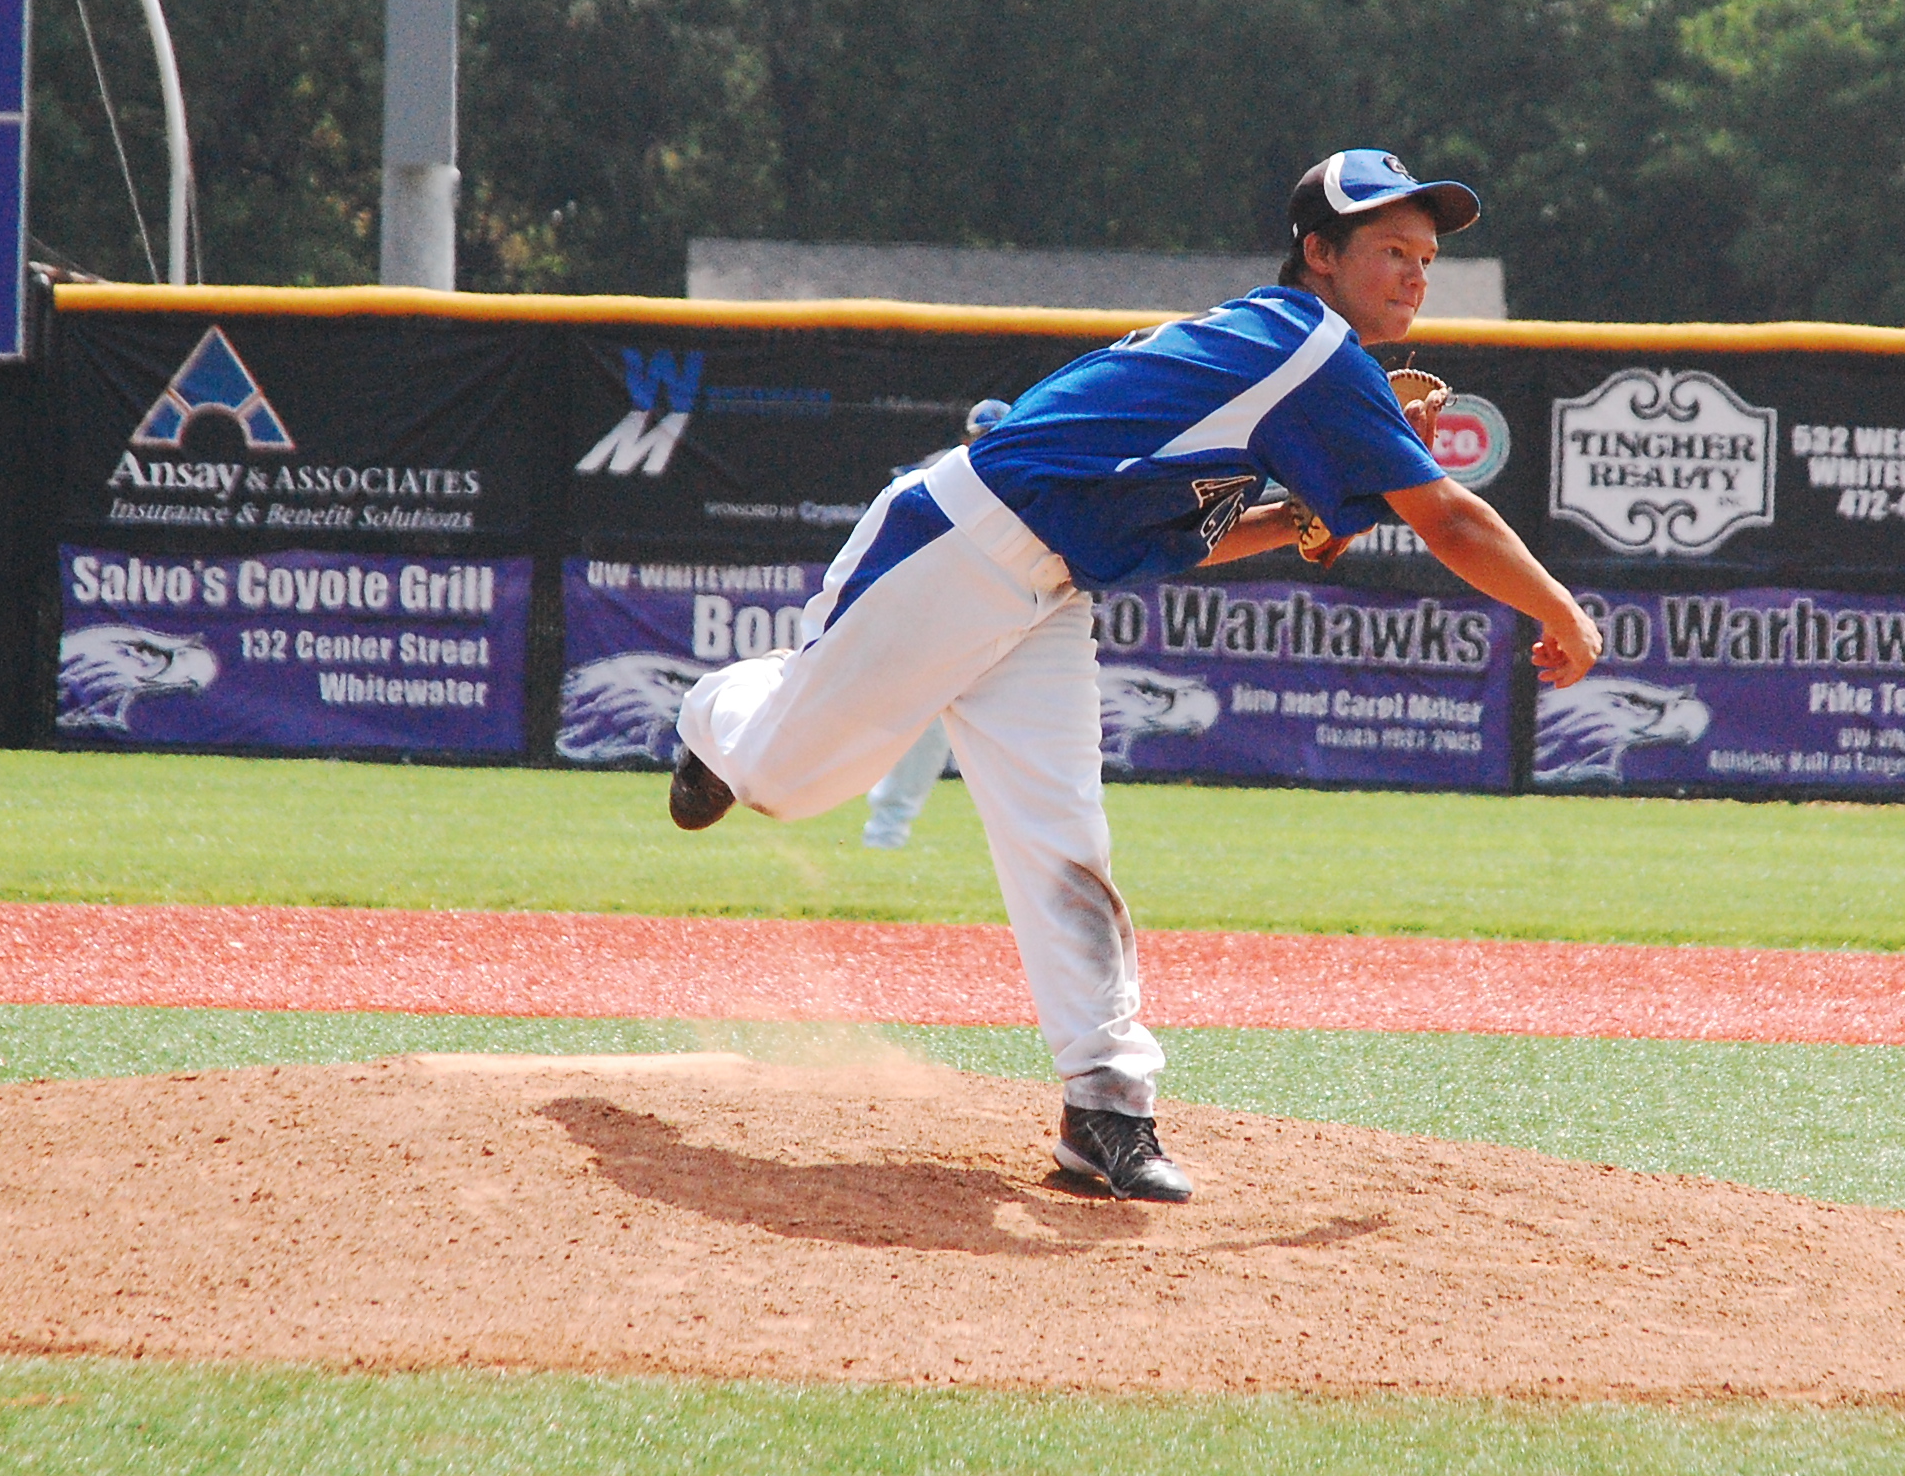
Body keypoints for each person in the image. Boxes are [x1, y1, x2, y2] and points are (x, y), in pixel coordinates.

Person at [668, 150, 1603, 1201]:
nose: (1414, 274)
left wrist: (1307, 516)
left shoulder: (1281, 360)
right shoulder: (1307, 347)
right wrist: (1559, 609)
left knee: (1065, 838)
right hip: (955, 546)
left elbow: (1193, 537)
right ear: (1319, 252)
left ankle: (1105, 1108)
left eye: (1424, 257)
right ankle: (715, 712)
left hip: (1053, 586)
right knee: (788, 781)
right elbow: (1453, 518)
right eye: (1390, 249)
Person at [861, 398, 1013, 849]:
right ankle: (885, 834)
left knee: (1034, 725)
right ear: (967, 438)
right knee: (924, 725)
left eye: (997, 435)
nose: (989, 443)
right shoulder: (935, 474)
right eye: (982, 436)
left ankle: (1058, 837)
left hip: (1002, 610)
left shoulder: (1025, 470)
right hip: (936, 609)